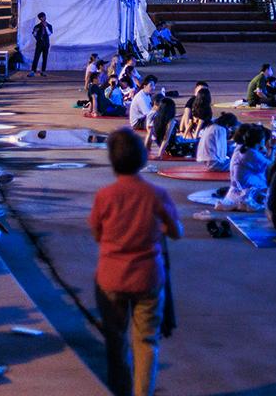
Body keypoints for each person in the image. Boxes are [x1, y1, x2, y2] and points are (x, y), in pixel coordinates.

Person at [89, 129, 182, 396]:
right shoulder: (156, 194)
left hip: (111, 277)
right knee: (145, 341)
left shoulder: (104, 196)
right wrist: (159, 229)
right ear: (142, 158)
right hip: (148, 277)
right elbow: (175, 232)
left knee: (116, 343)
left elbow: (97, 234)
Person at [219, 124, 271, 211]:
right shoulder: (251, 154)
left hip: (237, 188)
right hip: (245, 190)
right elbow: (272, 166)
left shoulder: (244, 150)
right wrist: (273, 147)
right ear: (261, 140)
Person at [29, 12, 52, 77]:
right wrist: (35, 32)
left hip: (46, 44)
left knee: (45, 58)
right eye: (42, 17)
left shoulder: (49, 25)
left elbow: (49, 34)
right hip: (39, 44)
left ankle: (43, 71)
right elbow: (34, 34)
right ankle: (33, 71)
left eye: (44, 16)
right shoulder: (37, 26)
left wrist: (46, 27)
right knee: (36, 57)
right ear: (40, 19)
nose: (44, 18)